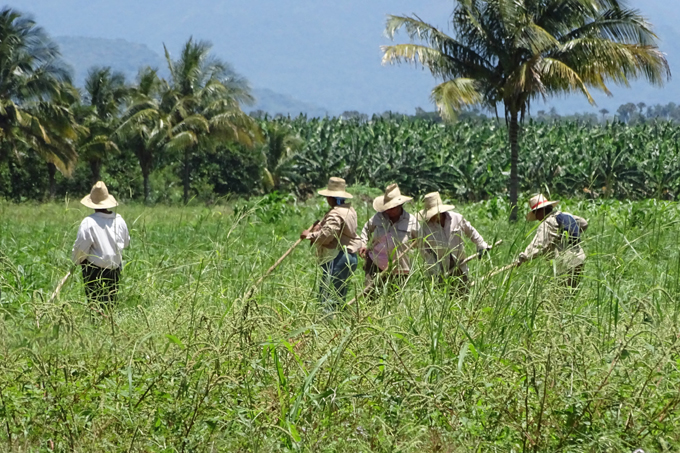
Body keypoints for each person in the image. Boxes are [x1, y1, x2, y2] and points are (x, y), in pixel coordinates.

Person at [301, 177, 362, 312]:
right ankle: (336, 327)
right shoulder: (349, 210)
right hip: (350, 256)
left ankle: (326, 326)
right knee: (338, 297)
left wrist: (309, 236)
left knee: (326, 298)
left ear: (330, 198)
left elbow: (327, 236)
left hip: (337, 257)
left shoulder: (335, 213)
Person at [72, 181, 130, 308]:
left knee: (95, 302)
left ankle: (97, 322)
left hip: (94, 269)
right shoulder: (119, 220)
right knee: (111, 302)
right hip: (114, 267)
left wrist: (76, 261)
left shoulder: (89, 222)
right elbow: (126, 243)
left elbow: (81, 247)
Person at [418, 192, 490, 289]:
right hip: (441, 269)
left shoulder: (456, 218)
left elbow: (471, 231)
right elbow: (426, 252)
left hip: (460, 265)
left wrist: (481, 244)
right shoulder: (425, 228)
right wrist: (436, 272)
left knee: (463, 293)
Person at [359, 183, 419, 296]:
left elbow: (419, 241)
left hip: (400, 267)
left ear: (400, 205)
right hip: (375, 263)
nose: (389, 210)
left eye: (392, 208)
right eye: (387, 208)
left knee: (394, 298)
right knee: (370, 296)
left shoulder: (411, 221)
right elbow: (366, 229)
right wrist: (363, 243)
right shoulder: (378, 217)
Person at [517, 194, 588, 287]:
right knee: (571, 293)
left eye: (535, 212)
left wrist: (523, 257)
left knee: (560, 296)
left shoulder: (547, 222)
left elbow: (538, 245)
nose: (536, 217)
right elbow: (584, 223)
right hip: (579, 258)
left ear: (540, 211)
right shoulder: (565, 215)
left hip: (565, 263)